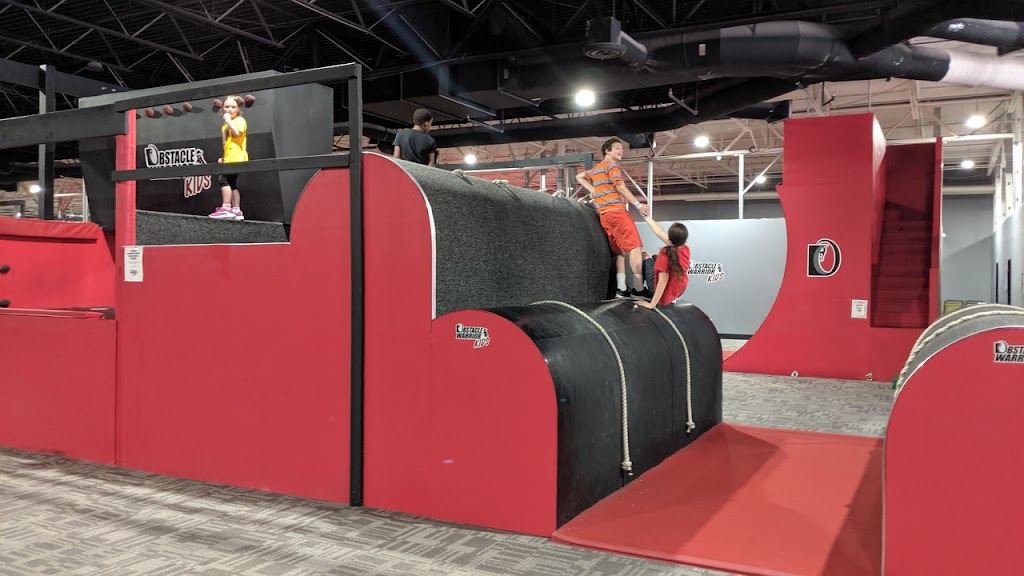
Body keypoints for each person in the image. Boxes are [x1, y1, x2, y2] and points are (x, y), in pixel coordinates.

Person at [576, 137, 650, 299]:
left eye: (621, 149)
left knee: (620, 252)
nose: (621, 151)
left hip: (605, 215)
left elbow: (579, 177)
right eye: (617, 148)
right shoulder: (612, 166)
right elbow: (620, 187)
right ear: (607, 151)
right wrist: (638, 205)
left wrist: (593, 190)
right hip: (617, 212)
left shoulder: (596, 169)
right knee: (635, 247)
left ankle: (621, 288)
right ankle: (638, 289)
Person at [636, 216, 691, 309]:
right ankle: (672, 296)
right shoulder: (685, 249)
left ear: (670, 237)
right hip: (679, 290)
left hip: (664, 294)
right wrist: (646, 217)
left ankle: (638, 290)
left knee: (644, 255)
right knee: (653, 256)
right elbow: (659, 232)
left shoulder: (665, 255)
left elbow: (662, 281)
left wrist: (652, 304)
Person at [209, 95, 248, 220]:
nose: (230, 109)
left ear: (238, 109)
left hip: (236, 157)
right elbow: (227, 144)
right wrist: (223, 157)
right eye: (227, 107)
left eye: (233, 107)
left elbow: (237, 134)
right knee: (232, 183)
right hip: (229, 157)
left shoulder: (239, 120)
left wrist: (229, 121)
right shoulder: (225, 125)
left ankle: (226, 208)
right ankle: (236, 210)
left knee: (223, 179)